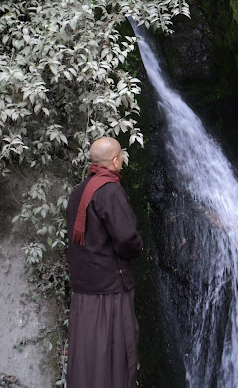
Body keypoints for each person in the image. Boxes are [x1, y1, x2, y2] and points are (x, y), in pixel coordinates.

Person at [66, 137, 143, 388]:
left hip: (85, 291)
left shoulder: (78, 193)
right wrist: (138, 247)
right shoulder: (110, 190)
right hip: (110, 291)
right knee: (115, 353)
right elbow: (126, 237)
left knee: (90, 355)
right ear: (116, 161)